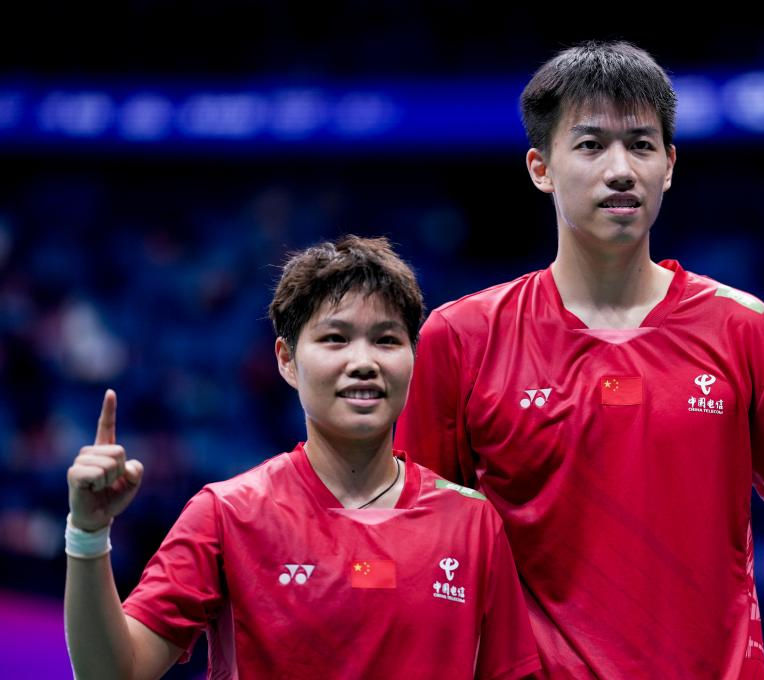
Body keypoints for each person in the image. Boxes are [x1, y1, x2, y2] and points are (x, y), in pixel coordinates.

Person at [395, 41, 764, 679]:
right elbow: (417, 552)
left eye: (641, 145)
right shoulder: (462, 339)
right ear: (541, 167)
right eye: (591, 145)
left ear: (669, 166)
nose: (620, 170)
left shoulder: (744, 331)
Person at [64, 236, 540, 679]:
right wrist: (87, 533)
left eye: (387, 340)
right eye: (335, 338)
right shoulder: (228, 514)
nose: (364, 362)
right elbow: (113, 673)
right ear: (287, 360)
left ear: (413, 358)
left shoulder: (472, 523)